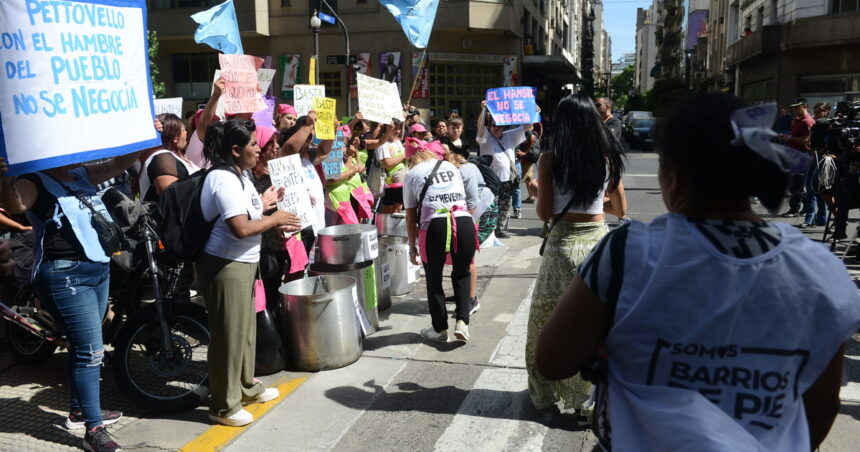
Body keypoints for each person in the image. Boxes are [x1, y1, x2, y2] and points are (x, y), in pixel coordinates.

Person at [535, 94, 860, 450]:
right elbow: (822, 406)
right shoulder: (821, 267)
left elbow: (553, 361)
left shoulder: (629, 253)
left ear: (672, 176)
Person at [0, 123, 160, 451]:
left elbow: (117, 164)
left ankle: (78, 408)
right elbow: (16, 204)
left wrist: (146, 134)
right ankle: (93, 430)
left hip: (98, 268)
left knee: (81, 343)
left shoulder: (80, 172)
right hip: (64, 275)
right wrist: (3, 177)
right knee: (90, 350)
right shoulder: (34, 179)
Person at [196, 119, 302, 427]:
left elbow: (250, 213)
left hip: (243, 263)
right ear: (235, 150)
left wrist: (270, 209)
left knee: (243, 332)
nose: (259, 149)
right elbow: (240, 227)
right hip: (225, 265)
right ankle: (223, 405)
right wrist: (274, 219)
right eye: (253, 144)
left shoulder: (238, 175)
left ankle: (245, 387)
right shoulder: (222, 178)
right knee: (228, 336)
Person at [527, 93, 627, 417]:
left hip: (562, 247)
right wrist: (593, 205)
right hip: (598, 246)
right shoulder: (608, 157)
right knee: (595, 326)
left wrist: (538, 193)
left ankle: (545, 395)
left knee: (545, 323)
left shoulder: (549, 159)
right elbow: (620, 209)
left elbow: (544, 213)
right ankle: (588, 400)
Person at [404, 139, 477, 343]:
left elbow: (410, 218)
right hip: (463, 221)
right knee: (462, 273)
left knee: (434, 278)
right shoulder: (449, 166)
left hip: (435, 225)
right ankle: (463, 322)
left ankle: (440, 329)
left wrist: (412, 248)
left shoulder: (411, 175)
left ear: (411, 158)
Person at [476, 100, 535, 238]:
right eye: (493, 125)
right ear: (490, 126)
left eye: (499, 126)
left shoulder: (510, 136)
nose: (496, 128)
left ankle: (501, 229)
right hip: (490, 180)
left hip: (507, 179)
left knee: (505, 205)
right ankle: (489, 231)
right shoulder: (485, 137)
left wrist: (533, 111)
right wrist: (483, 110)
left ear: (504, 127)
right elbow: (479, 126)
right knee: (491, 206)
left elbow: (527, 126)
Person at [445, 149, 492, 315]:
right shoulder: (461, 169)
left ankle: (471, 299)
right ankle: (462, 293)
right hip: (464, 213)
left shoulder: (466, 170)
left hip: (473, 213)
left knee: (468, 257)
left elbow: (472, 205)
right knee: (459, 257)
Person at [139, 113, 200, 201]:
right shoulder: (162, 158)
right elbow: (171, 199)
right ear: (175, 137)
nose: (186, 133)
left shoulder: (173, 156)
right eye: (184, 130)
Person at [780, 98, 815, 217]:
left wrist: (789, 138)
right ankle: (804, 208)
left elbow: (807, 141)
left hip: (801, 155)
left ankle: (794, 209)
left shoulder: (807, 121)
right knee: (797, 184)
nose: (794, 109)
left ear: (805, 106)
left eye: (797, 106)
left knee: (796, 184)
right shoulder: (798, 120)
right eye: (793, 107)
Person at [798, 102, 832, 228]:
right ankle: (809, 219)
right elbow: (810, 143)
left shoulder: (830, 124)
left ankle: (822, 219)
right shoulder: (815, 125)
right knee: (809, 188)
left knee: (820, 189)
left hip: (821, 158)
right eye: (815, 112)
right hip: (811, 156)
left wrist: (822, 150)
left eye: (819, 112)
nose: (816, 114)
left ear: (826, 111)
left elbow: (829, 142)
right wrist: (808, 142)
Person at [186, 77, 225, 169]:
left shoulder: (217, 141)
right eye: (213, 121)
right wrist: (216, 94)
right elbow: (204, 124)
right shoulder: (198, 137)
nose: (217, 123)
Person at [375, 121, 407, 213]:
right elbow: (387, 163)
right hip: (389, 182)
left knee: (398, 208)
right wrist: (404, 155)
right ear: (387, 129)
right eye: (394, 128)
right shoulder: (382, 144)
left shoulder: (398, 142)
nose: (397, 131)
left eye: (399, 128)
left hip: (400, 182)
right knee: (388, 210)